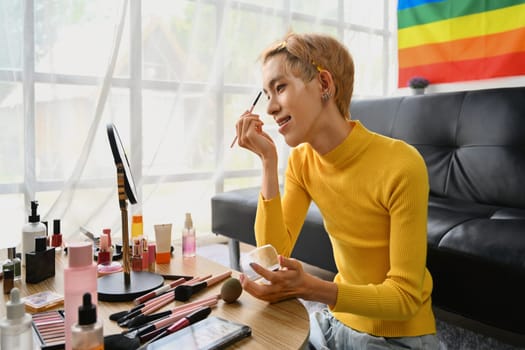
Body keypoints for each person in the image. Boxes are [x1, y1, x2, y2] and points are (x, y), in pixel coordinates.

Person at [234, 32, 441, 349]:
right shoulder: (302, 161)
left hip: (398, 337)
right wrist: (267, 160)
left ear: (324, 85)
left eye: (280, 87)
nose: (271, 108)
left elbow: (405, 297)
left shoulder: (401, 164)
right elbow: (274, 252)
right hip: (336, 321)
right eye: (266, 94)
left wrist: (311, 288)